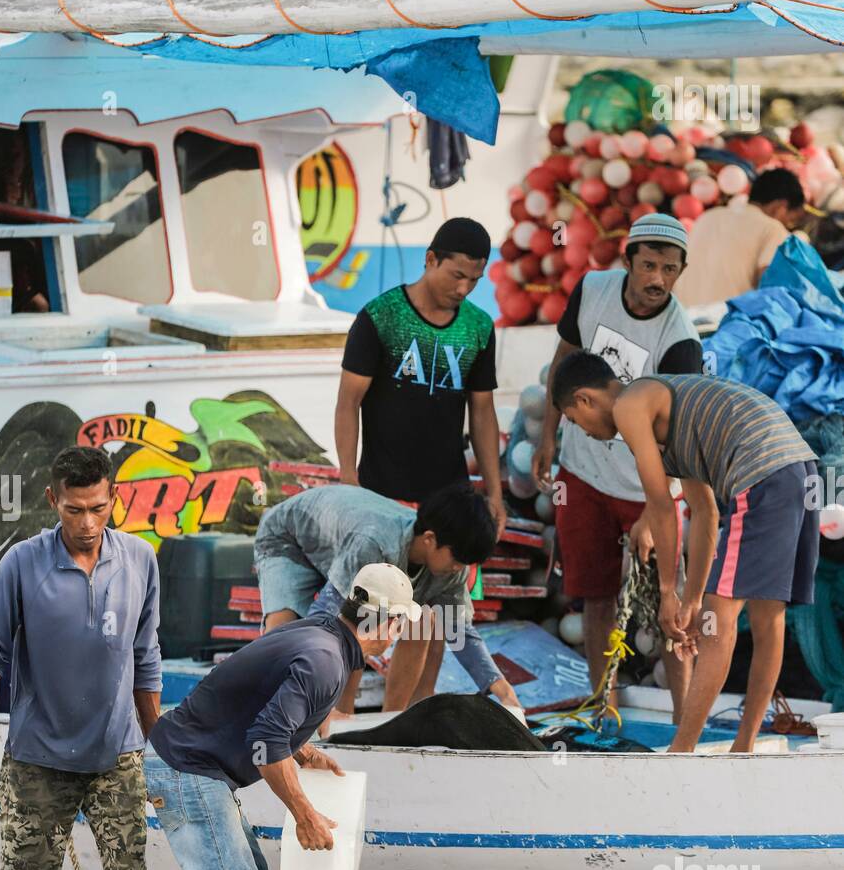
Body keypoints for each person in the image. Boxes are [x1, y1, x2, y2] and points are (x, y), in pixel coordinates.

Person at [145, 565, 417, 870]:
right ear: (384, 623)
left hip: (190, 761)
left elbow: (268, 709)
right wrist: (304, 814)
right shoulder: (325, 660)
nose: (397, 634)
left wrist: (303, 750)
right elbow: (266, 742)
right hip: (185, 767)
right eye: (399, 623)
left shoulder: (323, 632)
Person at [0, 446, 170, 870]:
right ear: (51, 502)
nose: (88, 522)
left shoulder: (139, 559)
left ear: (114, 498)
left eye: (99, 507)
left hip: (117, 751)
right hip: (37, 754)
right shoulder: (21, 565)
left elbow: (147, 656)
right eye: (74, 509)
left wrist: (159, 741)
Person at [550, 350, 819, 753]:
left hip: (761, 472)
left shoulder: (630, 405)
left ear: (586, 399)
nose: (583, 432)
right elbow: (706, 513)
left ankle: (682, 750)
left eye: (574, 420)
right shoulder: (676, 416)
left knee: (719, 619)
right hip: (799, 468)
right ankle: (742, 747)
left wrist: (668, 592)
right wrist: (689, 599)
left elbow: (660, 506)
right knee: (767, 616)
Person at [533, 213, 703, 719]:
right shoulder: (592, 290)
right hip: (582, 473)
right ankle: (599, 701)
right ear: (626, 260)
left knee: (668, 609)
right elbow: (564, 364)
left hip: (646, 485)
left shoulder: (681, 341)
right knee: (595, 592)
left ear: (680, 271)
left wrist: (657, 509)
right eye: (648, 265)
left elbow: (679, 437)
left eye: (670, 270)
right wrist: (547, 435)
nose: (657, 279)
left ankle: (683, 715)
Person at [253, 482, 522, 716]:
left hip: (343, 545)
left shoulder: (451, 565)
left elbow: (458, 631)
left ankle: (392, 719)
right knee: (293, 632)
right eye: (457, 560)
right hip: (287, 538)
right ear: (430, 539)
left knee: (422, 620)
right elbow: (324, 618)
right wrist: (321, 708)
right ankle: (314, 720)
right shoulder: (376, 544)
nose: (459, 569)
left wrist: (500, 687)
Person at [336, 216, 506, 537]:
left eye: (474, 280)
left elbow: (483, 411)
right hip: (380, 493)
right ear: (430, 260)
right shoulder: (380, 317)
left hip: (451, 499)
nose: (463, 289)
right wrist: (348, 477)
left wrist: (495, 493)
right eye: (456, 275)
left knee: (450, 586)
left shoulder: (480, 327)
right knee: (381, 586)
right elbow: (348, 401)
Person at [674, 168, 805, 309]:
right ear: (780, 207)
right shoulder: (773, 229)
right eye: (791, 220)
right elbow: (772, 288)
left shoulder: (708, 217)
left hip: (683, 318)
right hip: (725, 324)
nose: (788, 226)